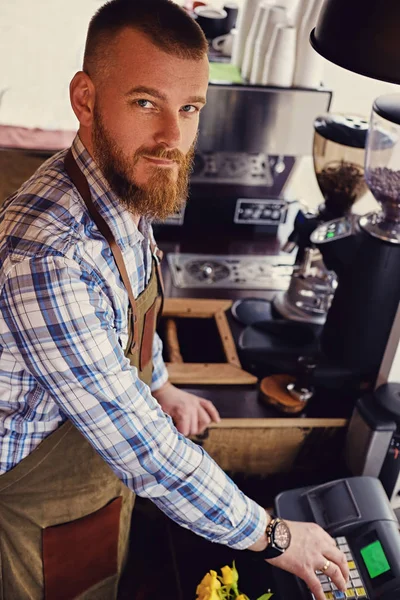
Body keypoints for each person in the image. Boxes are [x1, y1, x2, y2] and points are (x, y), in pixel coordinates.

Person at [0, 1, 349, 599]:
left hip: (101, 477)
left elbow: (131, 312)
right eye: (145, 103)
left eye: (189, 108)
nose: (172, 137)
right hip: (42, 503)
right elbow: (139, 442)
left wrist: (159, 385)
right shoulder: (47, 257)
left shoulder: (119, 185)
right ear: (84, 98)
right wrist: (275, 536)